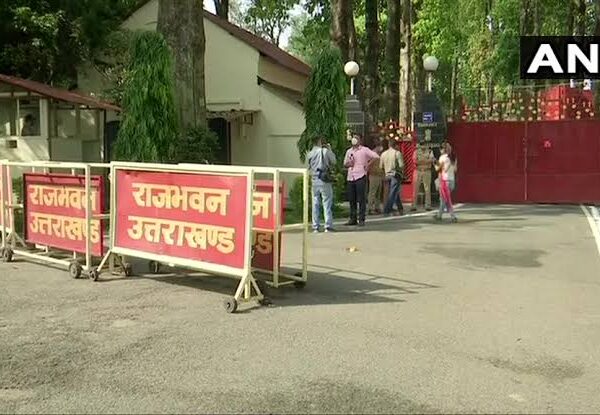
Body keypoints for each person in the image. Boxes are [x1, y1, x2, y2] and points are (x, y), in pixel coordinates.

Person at [343, 134, 379, 227]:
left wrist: (368, 164)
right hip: (351, 176)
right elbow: (345, 164)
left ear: (360, 140)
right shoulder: (349, 151)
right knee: (352, 199)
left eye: (357, 138)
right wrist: (349, 164)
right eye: (354, 138)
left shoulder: (364, 150)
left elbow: (376, 156)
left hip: (360, 175)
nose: (355, 140)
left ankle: (361, 219)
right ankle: (353, 218)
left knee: (361, 198)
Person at [307, 136, 337, 232]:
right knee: (326, 202)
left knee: (315, 203)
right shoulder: (325, 151)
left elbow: (309, 166)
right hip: (324, 179)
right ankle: (328, 225)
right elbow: (334, 161)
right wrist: (329, 149)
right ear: (320, 142)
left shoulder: (310, 153)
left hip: (314, 179)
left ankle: (315, 226)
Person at [380, 139, 405, 216]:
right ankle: (387, 210)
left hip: (387, 175)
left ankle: (400, 208)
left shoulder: (383, 154)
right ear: (396, 145)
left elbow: (381, 166)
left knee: (395, 192)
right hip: (395, 175)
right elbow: (401, 165)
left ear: (389, 145)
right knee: (392, 193)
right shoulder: (397, 153)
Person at [434, 142, 458, 222]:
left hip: (444, 181)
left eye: (441, 149)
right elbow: (455, 170)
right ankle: (439, 215)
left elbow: (438, 169)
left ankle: (453, 216)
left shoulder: (442, 157)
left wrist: (434, 163)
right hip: (452, 180)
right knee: (444, 199)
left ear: (443, 149)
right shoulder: (454, 157)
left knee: (446, 200)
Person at [410, 144, 435, 211]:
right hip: (418, 171)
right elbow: (415, 161)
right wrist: (426, 161)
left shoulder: (430, 151)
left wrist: (420, 161)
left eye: (424, 144)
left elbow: (431, 160)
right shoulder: (416, 152)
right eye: (421, 144)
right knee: (415, 188)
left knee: (427, 189)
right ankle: (413, 205)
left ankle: (428, 205)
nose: (422, 146)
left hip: (427, 171)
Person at [367, 139, 385, 215]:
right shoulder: (372, 154)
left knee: (378, 193)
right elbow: (368, 164)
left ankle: (377, 207)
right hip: (373, 175)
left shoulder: (380, 154)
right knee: (372, 192)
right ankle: (370, 208)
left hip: (379, 175)